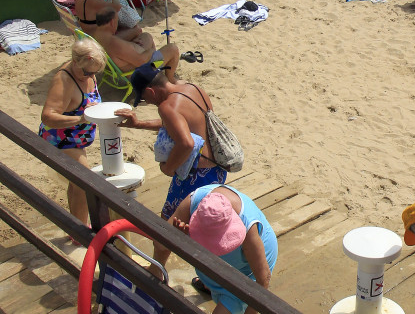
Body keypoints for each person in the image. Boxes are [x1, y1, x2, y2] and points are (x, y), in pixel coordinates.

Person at [115, 64, 228, 273]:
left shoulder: (166, 106)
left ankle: (157, 271)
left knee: (167, 227)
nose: (147, 102)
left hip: (194, 177)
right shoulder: (193, 89)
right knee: (209, 227)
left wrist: (168, 168)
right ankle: (211, 280)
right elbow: (180, 123)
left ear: (150, 91)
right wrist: (139, 124)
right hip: (216, 170)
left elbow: (186, 142)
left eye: (145, 99)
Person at [156, 185, 277, 314]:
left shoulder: (248, 229)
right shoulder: (195, 201)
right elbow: (160, 244)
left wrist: (250, 311)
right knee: (209, 272)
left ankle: (219, 290)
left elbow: (263, 280)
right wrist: (179, 237)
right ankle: (209, 284)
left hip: (246, 272)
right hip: (221, 263)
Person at [38, 40, 105, 233]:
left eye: (94, 73)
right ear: (75, 61)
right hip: (60, 139)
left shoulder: (87, 72)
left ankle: (74, 227)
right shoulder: (64, 80)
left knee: (77, 185)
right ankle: (80, 231)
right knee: (85, 183)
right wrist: (80, 118)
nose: (90, 76)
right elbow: (48, 117)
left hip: (76, 139)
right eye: (87, 72)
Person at [92, 7, 179, 82]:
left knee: (146, 36)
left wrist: (134, 45)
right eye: (117, 20)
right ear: (111, 22)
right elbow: (141, 61)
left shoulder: (97, 34)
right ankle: (170, 79)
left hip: (126, 62)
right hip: (138, 72)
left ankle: (158, 69)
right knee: (173, 48)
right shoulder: (115, 44)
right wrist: (151, 51)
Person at [75, 0, 148, 42]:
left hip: (88, 33)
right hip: (98, 39)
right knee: (137, 30)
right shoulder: (93, 2)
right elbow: (117, 7)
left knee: (123, 27)